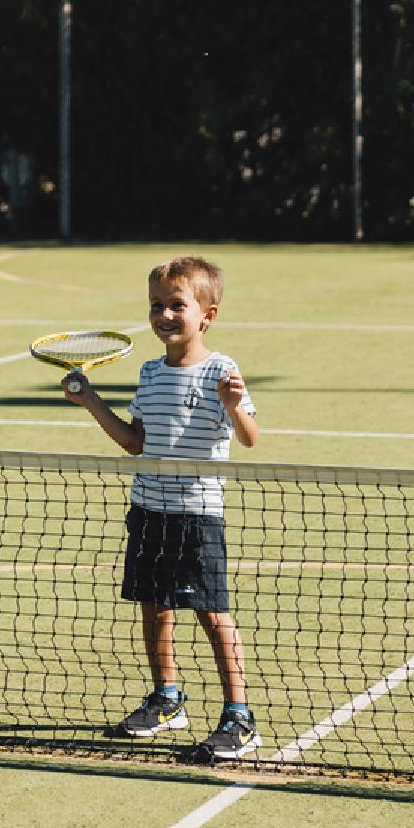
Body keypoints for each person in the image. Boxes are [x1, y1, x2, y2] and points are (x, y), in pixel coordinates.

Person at [61, 255, 262, 760]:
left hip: (196, 516)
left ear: (207, 315)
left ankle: (239, 716)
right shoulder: (150, 373)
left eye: (177, 305)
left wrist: (234, 405)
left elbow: (250, 437)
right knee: (154, 609)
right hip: (148, 510)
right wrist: (91, 401)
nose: (165, 315)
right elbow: (136, 443)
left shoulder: (222, 370)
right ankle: (167, 699)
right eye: (156, 305)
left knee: (212, 614)